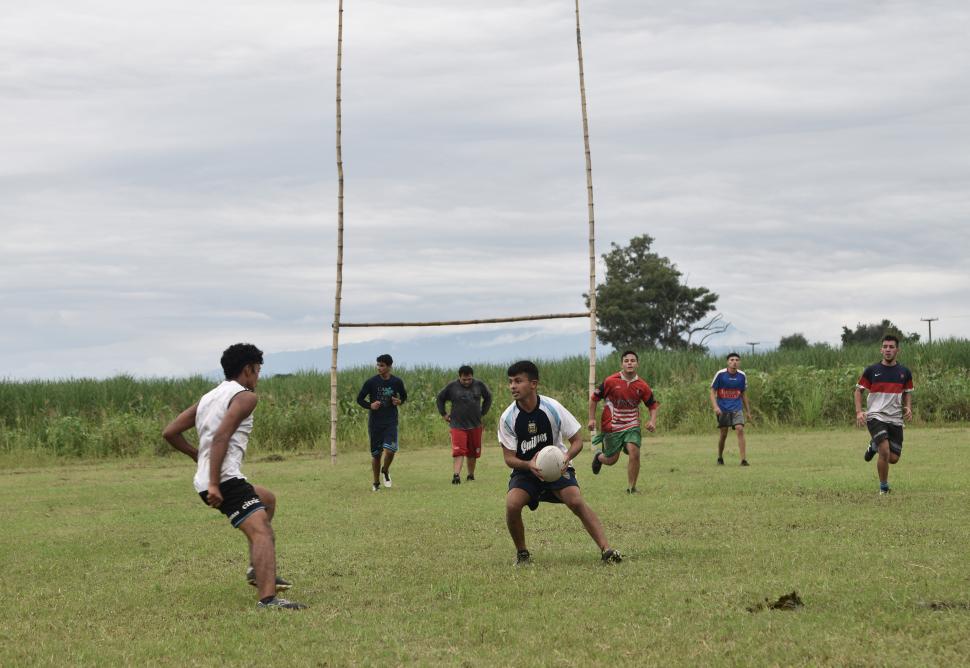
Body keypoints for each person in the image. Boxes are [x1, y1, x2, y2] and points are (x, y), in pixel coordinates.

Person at [162, 343, 305, 610]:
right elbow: (222, 436)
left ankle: (256, 569)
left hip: (212, 478)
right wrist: (214, 481)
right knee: (261, 530)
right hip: (223, 480)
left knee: (267, 499)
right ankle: (268, 599)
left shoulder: (209, 397)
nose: (258, 376)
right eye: (258, 370)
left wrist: (198, 457)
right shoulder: (245, 396)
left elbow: (170, 432)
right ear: (248, 369)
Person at [498, 360, 621, 565]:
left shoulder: (552, 407)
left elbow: (577, 441)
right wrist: (529, 465)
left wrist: (566, 458)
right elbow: (509, 458)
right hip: (527, 472)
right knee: (512, 505)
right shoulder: (508, 417)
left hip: (558, 468)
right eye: (510, 382)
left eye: (518, 381)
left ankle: (606, 550)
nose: (512, 386)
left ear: (533, 384)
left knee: (575, 501)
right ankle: (522, 554)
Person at [588, 350, 659, 494]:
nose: (630, 363)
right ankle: (599, 457)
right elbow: (594, 398)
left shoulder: (642, 386)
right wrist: (591, 418)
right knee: (612, 459)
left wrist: (652, 421)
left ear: (637, 364)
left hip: (632, 425)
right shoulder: (610, 381)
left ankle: (631, 488)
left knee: (634, 452)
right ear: (622, 364)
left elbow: (652, 405)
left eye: (633, 360)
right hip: (612, 426)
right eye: (626, 361)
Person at [855, 335, 914, 495]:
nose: (888, 350)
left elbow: (908, 392)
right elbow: (858, 391)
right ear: (881, 349)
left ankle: (874, 445)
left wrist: (908, 407)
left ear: (897, 350)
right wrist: (859, 411)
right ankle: (884, 488)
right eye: (885, 347)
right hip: (875, 416)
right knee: (885, 451)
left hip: (895, 418)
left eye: (891, 347)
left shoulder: (904, 372)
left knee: (893, 458)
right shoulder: (872, 370)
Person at [357, 353, 408, 491]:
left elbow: (404, 397)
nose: (379, 368)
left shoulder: (397, 382)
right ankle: (376, 483)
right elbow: (359, 399)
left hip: (391, 421)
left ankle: (385, 470)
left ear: (389, 367)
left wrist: (399, 401)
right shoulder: (371, 382)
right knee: (376, 454)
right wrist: (370, 405)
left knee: (390, 450)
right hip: (375, 423)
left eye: (382, 365)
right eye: (378, 365)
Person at [436, 365, 493, 485]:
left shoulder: (479, 385)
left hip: (475, 425)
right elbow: (440, 398)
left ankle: (470, 475)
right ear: (459, 377)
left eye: (469, 379)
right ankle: (456, 475)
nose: (467, 382)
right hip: (457, 425)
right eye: (464, 379)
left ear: (472, 377)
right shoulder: (452, 387)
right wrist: (444, 414)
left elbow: (488, 397)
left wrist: (483, 412)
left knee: (472, 452)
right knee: (459, 451)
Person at [709, 352, 752, 466]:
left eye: (737, 360)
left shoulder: (742, 376)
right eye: (732, 360)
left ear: (739, 362)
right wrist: (715, 407)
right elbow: (712, 392)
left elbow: (743, 394)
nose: (734, 362)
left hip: (737, 408)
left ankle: (743, 460)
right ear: (727, 362)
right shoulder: (720, 374)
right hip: (723, 409)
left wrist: (748, 411)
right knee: (723, 434)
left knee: (740, 429)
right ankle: (720, 457)